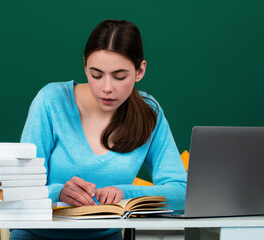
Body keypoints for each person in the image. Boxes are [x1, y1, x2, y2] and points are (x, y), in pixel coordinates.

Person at [10, 19, 187, 240]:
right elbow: (17, 189)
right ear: (85, 66)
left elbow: (181, 191)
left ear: (140, 71)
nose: (106, 88)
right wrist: (57, 193)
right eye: (96, 75)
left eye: (119, 76)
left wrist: (125, 194)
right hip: (36, 236)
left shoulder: (149, 111)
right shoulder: (51, 101)